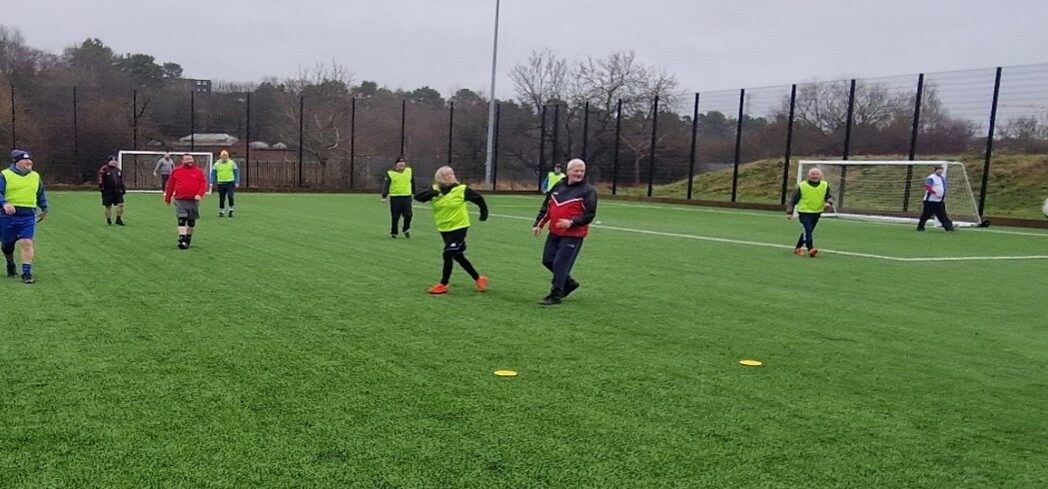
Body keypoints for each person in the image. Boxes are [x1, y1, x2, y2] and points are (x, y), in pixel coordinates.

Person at [413, 166, 488, 294]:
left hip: (459, 227)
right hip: (444, 228)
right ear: (439, 178)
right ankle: (478, 278)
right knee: (458, 256)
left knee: (448, 253)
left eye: (451, 174)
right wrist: (434, 194)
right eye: (446, 175)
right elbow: (418, 197)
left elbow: (479, 199)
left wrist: (483, 213)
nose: (450, 176)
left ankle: (443, 284)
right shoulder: (435, 190)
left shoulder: (461, 190)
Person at [532, 158, 597, 305]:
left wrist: (571, 222)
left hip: (573, 235)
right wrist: (538, 224)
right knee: (548, 260)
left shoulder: (588, 191)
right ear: (568, 172)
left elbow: (589, 214)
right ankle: (569, 283)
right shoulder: (558, 186)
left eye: (582, 171)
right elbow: (547, 207)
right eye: (576, 170)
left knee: (561, 263)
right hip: (555, 232)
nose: (579, 173)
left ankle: (556, 294)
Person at [0, 150, 48, 284]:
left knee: (27, 242)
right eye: (25, 160)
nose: (29, 162)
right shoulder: (5, 175)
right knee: (7, 245)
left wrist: (44, 207)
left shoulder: (35, 176)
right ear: (16, 162)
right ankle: (10, 264)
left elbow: (40, 194)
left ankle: (26, 273)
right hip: (7, 216)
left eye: (30, 160)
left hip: (27, 216)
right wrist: (5, 203)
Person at [786, 167, 834, 257]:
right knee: (807, 230)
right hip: (804, 212)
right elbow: (792, 200)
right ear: (808, 175)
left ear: (820, 176)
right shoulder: (802, 186)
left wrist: (828, 203)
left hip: (817, 212)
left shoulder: (825, 185)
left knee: (808, 231)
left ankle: (797, 248)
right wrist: (790, 212)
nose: (815, 176)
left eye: (816, 174)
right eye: (813, 174)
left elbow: (829, 197)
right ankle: (810, 248)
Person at [164, 154, 208, 249]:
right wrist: (168, 198)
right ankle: (182, 239)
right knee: (182, 219)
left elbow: (203, 184)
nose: (189, 161)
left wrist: (199, 194)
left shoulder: (198, 172)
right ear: (183, 161)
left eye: (191, 159)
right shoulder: (176, 171)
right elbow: (170, 186)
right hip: (180, 200)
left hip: (193, 201)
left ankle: (188, 239)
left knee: (191, 222)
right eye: (187, 159)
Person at [381, 157, 415, 238]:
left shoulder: (409, 171)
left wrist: (415, 193)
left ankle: (406, 229)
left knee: (408, 215)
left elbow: (413, 182)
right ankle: (394, 232)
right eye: (400, 163)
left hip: (407, 196)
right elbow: (386, 185)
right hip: (395, 197)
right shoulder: (390, 173)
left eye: (403, 164)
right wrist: (384, 196)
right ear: (396, 164)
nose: (402, 165)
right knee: (395, 216)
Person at [916, 164, 955, 232]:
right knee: (926, 215)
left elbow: (943, 187)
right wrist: (935, 193)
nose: (940, 171)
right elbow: (928, 187)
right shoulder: (931, 177)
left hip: (938, 201)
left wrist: (943, 195)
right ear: (935, 170)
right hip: (930, 201)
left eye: (941, 170)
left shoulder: (942, 178)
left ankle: (949, 228)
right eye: (939, 169)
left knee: (942, 215)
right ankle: (920, 227)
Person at [98, 155, 126, 225]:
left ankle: (118, 219)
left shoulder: (118, 170)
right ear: (109, 162)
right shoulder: (104, 169)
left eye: (115, 161)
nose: (114, 162)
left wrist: (123, 188)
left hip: (117, 190)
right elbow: (100, 178)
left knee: (121, 204)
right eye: (112, 161)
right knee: (108, 206)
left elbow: (121, 180)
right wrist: (102, 187)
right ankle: (108, 220)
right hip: (108, 191)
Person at [210, 150, 240, 217]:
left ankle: (231, 210)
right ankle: (221, 211)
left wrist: (237, 181)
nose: (224, 157)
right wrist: (211, 182)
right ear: (220, 156)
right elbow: (213, 174)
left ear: (228, 156)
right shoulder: (217, 164)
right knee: (222, 198)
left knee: (230, 196)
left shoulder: (232, 163)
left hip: (230, 183)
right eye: (223, 155)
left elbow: (236, 173)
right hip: (221, 183)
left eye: (226, 155)